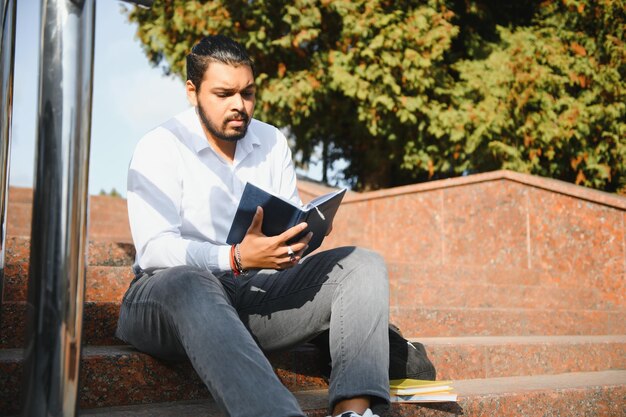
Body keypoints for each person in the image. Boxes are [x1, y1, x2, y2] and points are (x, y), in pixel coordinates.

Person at [116, 34, 390, 417]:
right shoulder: (160, 146)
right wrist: (235, 256)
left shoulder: (271, 141)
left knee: (362, 264)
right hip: (164, 300)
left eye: (247, 93)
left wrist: (297, 239)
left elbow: (285, 222)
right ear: (192, 92)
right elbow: (154, 250)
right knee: (190, 280)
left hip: (248, 295)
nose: (239, 106)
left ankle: (355, 411)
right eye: (224, 94)